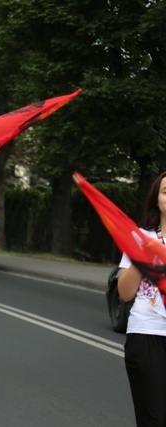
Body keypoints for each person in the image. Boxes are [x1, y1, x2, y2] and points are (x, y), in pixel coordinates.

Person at [118, 171, 166, 426]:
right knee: (153, 418)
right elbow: (125, 293)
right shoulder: (140, 237)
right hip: (147, 335)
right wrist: (143, 256)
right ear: (156, 199)